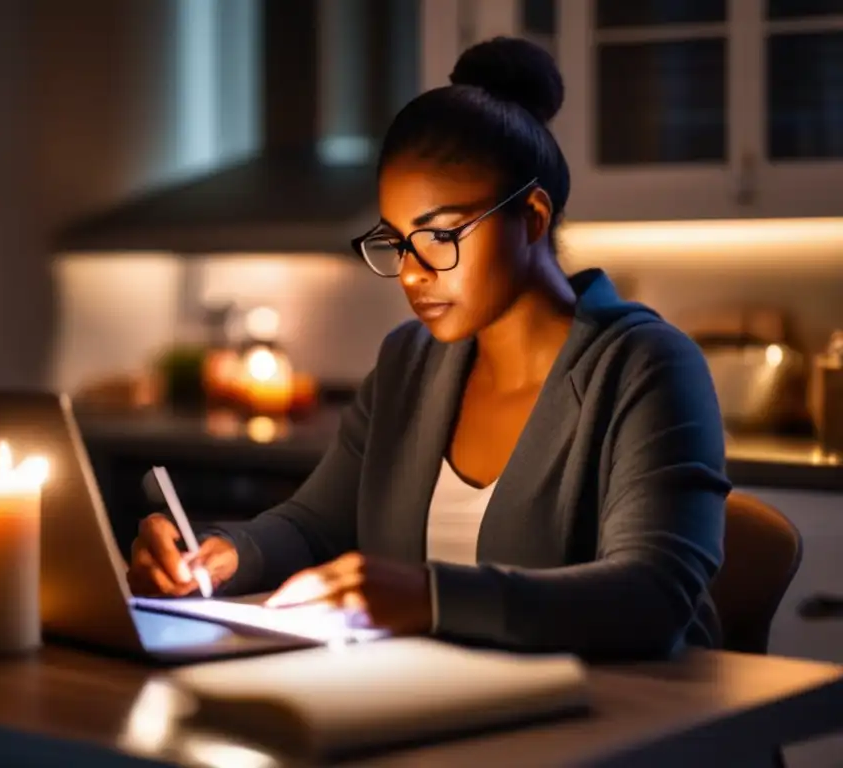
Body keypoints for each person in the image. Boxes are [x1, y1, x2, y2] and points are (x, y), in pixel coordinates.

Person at [127, 37, 729, 659]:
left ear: (533, 217)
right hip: (447, 718)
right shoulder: (409, 364)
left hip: (622, 725)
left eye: (441, 235)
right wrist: (222, 556)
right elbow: (313, 526)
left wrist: (430, 597)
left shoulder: (646, 368)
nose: (413, 273)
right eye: (398, 240)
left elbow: (653, 596)